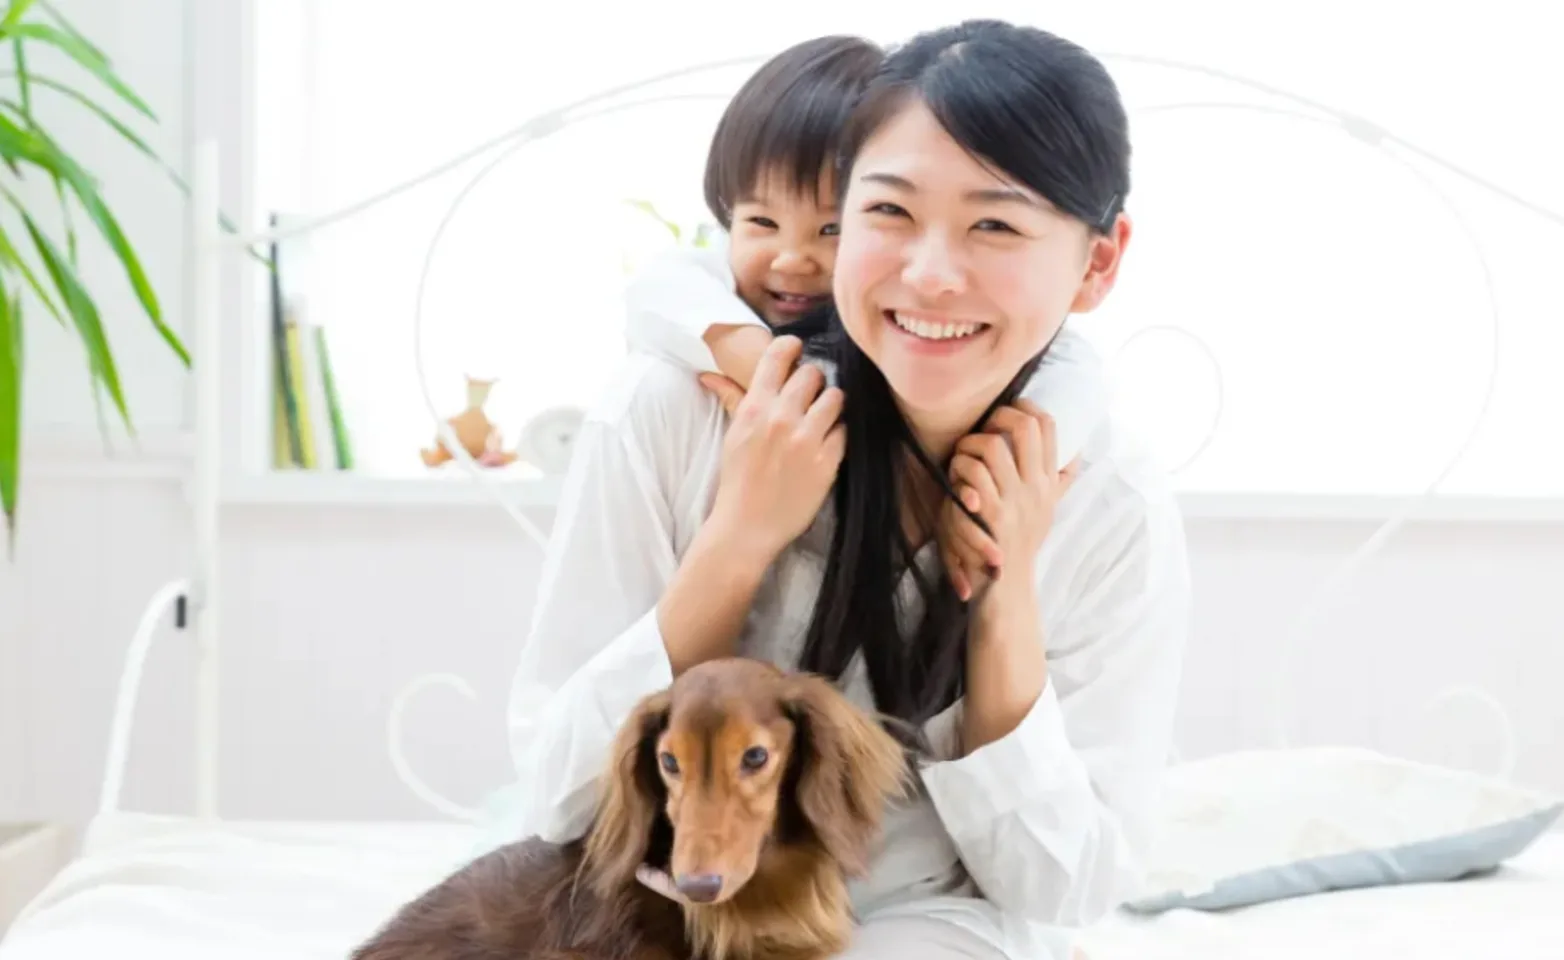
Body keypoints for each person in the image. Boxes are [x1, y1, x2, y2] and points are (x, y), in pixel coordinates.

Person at [505, 19, 1190, 960]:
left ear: (1097, 262)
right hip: (667, 916)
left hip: (935, 925)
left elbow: (1060, 887)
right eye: (888, 213)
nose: (931, 273)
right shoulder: (680, 409)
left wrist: (1003, 596)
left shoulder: (1107, 498)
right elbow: (563, 799)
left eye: (995, 223)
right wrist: (739, 541)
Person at [619, 34, 1112, 549]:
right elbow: (660, 289)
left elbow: (1077, 371)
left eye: (830, 230)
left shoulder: (998, 366)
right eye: (762, 221)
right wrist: (763, 363)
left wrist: (1003, 476)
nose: (791, 259)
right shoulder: (677, 372)